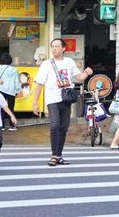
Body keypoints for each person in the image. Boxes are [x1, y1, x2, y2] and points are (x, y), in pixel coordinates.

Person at [33, 38, 93, 167]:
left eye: (57, 46)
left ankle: (58, 155)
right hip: (52, 98)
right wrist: (35, 102)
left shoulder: (69, 62)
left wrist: (87, 73)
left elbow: (79, 77)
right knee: (54, 125)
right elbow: (39, 83)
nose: (54, 49)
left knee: (64, 127)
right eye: (52, 46)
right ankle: (54, 155)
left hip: (66, 98)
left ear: (63, 48)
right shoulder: (46, 64)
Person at [0, 53, 21, 131]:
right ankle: (12, 126)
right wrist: (18, 90)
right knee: (11, 107)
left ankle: (2, 126)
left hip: (1, 89)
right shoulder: (14, 70)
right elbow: (17, 81)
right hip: (11, 91)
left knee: (1, 107)